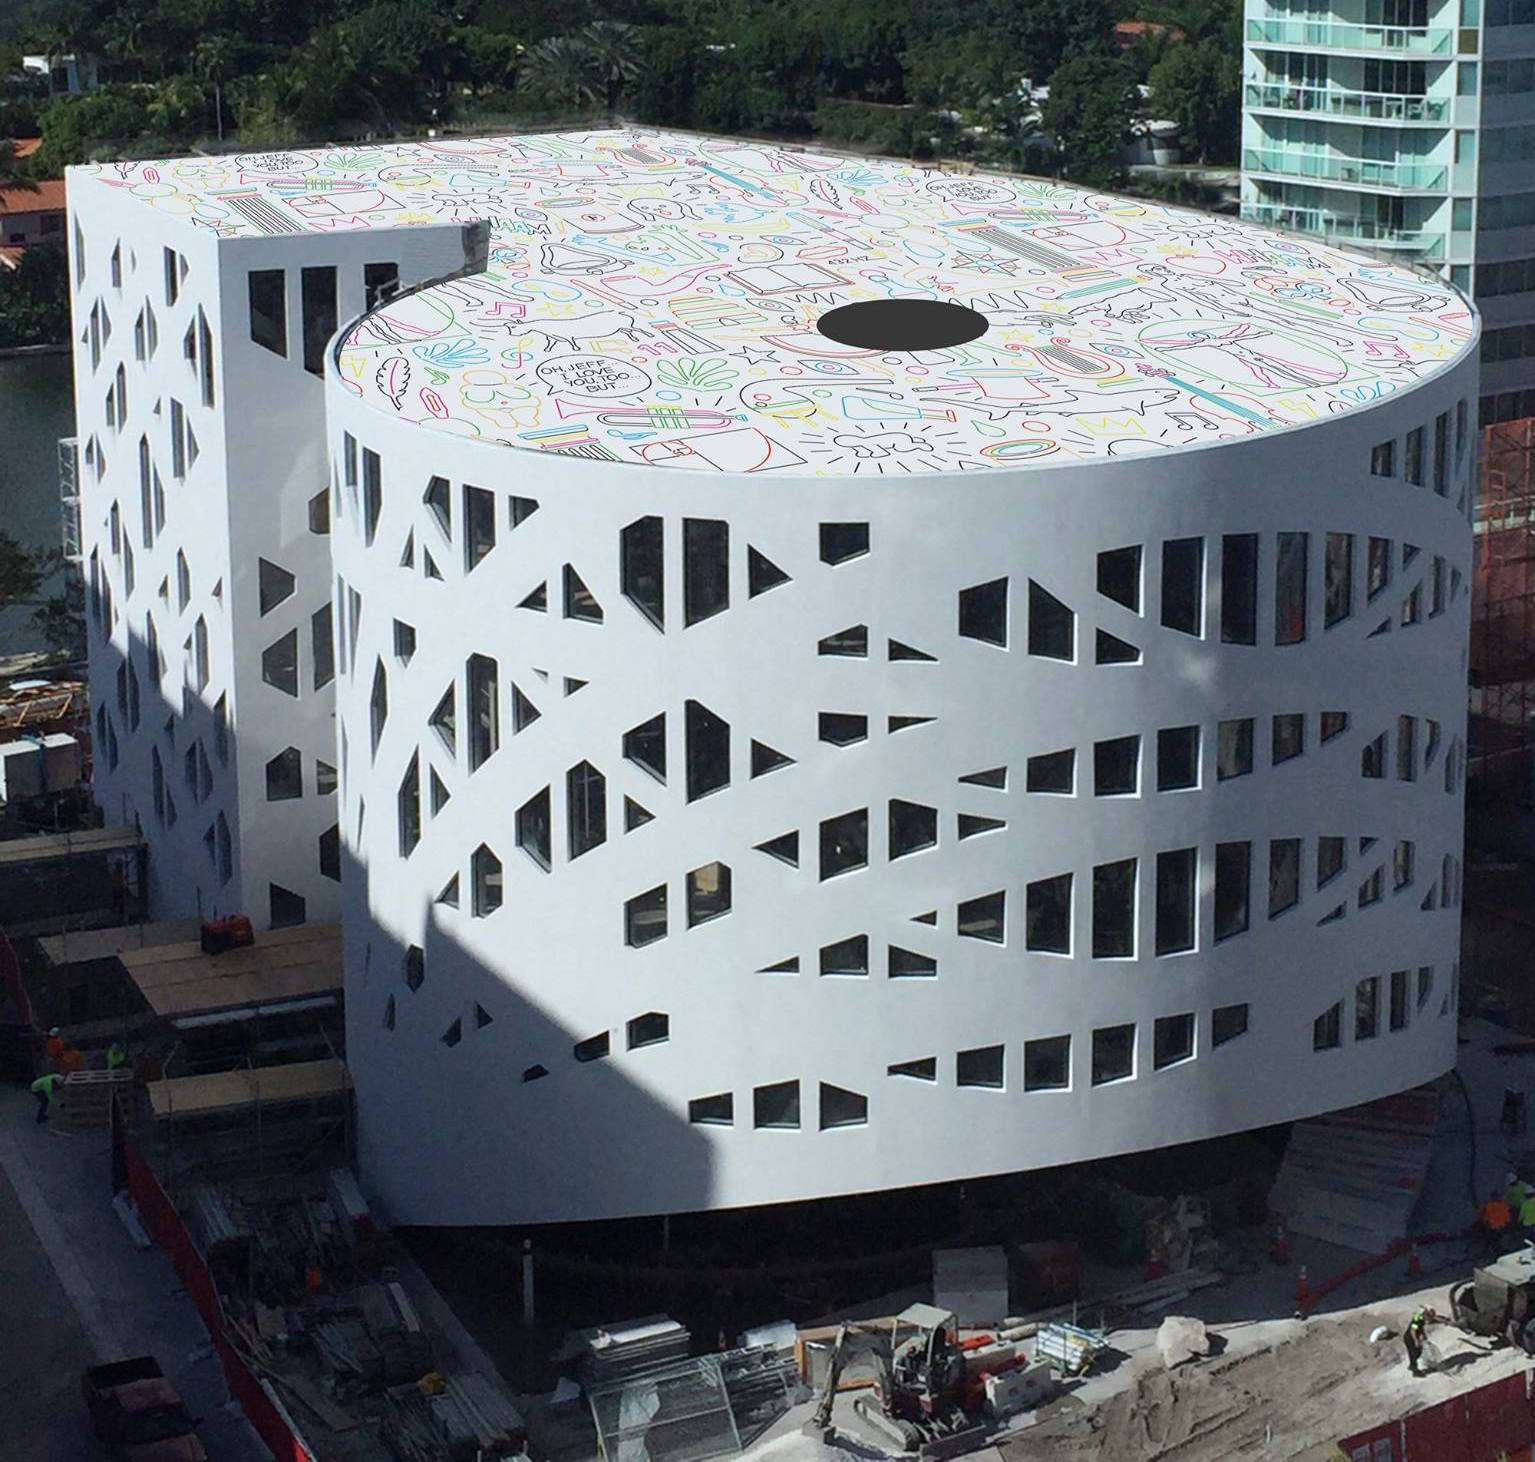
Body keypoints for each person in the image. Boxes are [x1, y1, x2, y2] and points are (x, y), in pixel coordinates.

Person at [1404, 1308, 1432, 1377]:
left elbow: (1420, 1328)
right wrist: (1416, 1340)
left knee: (1417, 1352)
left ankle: (1412, 1365)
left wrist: (1423, 1334)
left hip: (1412, 1337)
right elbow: (1413, 1330)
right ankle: (1415, 1371)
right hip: (1410, 1338)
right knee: (1414, 1353)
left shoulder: (1421, 1318)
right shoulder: (1417, 1319)